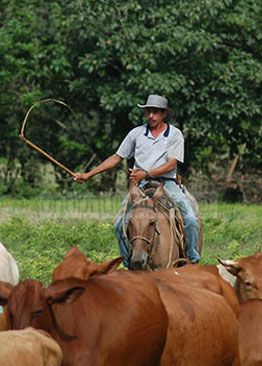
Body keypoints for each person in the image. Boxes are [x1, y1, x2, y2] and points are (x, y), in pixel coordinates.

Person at [73, 94, 200, 266]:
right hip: (140, 185)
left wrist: (146, 173)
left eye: (155, 112)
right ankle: (129, 264)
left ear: (164, 114)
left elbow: (171, 165)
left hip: (167, 183)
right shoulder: (137, 133)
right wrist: (88, 175)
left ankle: (192, 261)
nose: (151, 116)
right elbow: (117, 157)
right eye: (148, 112)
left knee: (190, 219)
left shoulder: (174, 134)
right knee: (119, 224)